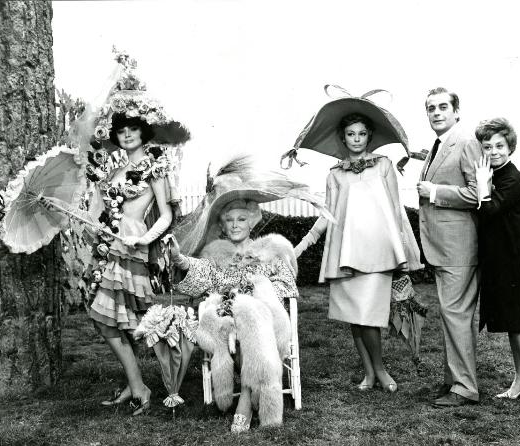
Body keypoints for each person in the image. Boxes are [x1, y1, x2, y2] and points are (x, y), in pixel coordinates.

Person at [169, 156, 328, 432]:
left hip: (262, 320)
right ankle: (259, 398)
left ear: (252, 221)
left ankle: (244, 396)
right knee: (237, 316)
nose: (235, 225)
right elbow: (201, 273)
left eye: (241, 219)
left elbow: (287, 285)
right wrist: (181, 260)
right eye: (229, 220)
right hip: (227, 319)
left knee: (253, 314)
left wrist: (258, 289)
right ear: (222, 224)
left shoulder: (272, 249)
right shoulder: (215, 254)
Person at [82, 51, 190, 415]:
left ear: (143, 131)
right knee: (111, 320)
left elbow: (167, 213)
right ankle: (137, 385)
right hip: (107, 242)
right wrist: (90, 219)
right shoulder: (113, 169)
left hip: (130, 246)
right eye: (121, 130)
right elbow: (101, 206)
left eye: (133, 129)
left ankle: (142, 385)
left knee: (108, 320)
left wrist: (145, 239)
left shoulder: (153, 167)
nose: (126, 135)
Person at [294, 112, 422, 393]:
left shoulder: (384, 165)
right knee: (355, 315)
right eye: (351, 134)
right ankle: (369, 372)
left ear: (369, 136)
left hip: (378, 251)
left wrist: (401, 252)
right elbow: (328, 215)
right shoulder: (335, 174)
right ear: (343, 138)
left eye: (361, 134)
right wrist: (303, 244)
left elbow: (394, 207)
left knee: (369, 315)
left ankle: (380, 369)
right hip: (346, 254)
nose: (356, 139)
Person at [416, 87, 482, 407]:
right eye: (431, 108)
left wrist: (433, 192)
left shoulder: (467, 143)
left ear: (457, 111)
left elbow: (478, 196)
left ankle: (465, 387)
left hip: (459, 249)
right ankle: (453, 381)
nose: (437, 113)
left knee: (456, 315)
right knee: (452, 316)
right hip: (444, 248)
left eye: (443, 107)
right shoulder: (438, 145)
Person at [474, 118, 520, 409]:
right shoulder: (498, 174)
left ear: (510, 146)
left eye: (499, 145)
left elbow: (488, 210)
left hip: (518, 262)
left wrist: (481, 184)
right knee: (512, 325)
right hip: (503, 262)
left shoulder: (512, 178)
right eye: (487, 146)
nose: (493, 151)